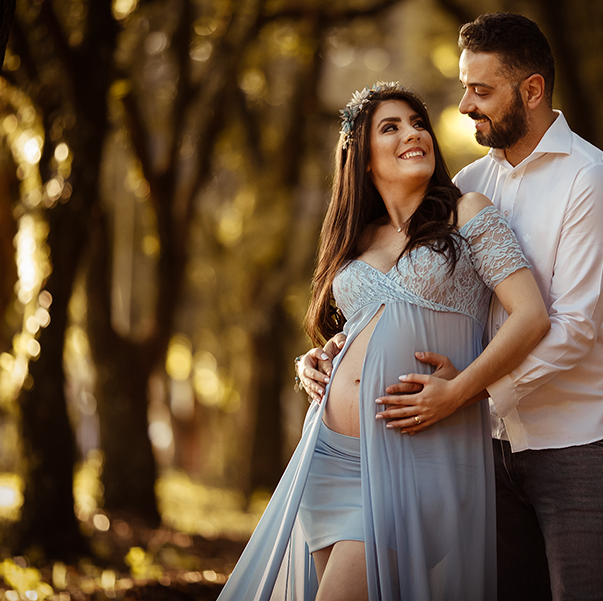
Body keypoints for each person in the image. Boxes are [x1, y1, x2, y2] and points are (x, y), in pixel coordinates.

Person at [299, 14, 603, 601]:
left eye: (480, 91)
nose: (462, 106)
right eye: (464, 88)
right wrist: (337, 351)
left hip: (577, 442)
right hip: (480, 449)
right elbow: (429, 297)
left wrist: (468, 394)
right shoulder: (467, 182)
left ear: (530, 91)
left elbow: (574, 327)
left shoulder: (590, 179)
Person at [219, 81, 548, 601]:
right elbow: (359, 330)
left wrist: (459, 390)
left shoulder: (466, 213)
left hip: (415, 460)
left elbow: (531, 317)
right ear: (362, 158)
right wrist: (315, 359)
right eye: (391, 128)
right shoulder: (358, 237)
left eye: (418, 124)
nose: (412, 134)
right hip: (329, 456)